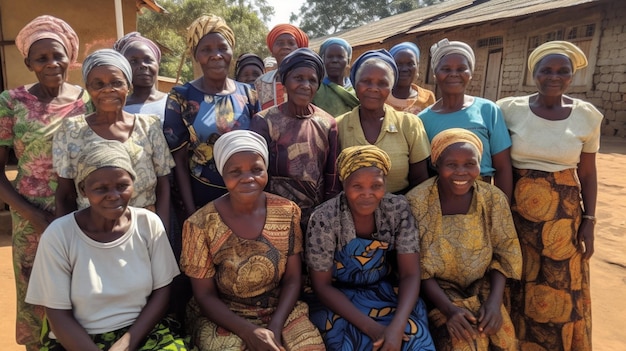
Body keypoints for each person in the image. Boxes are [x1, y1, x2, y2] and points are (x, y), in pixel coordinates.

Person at [26, 140, 188, 351]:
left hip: (139, 332)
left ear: (133, 183)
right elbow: (57, 314)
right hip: (76, 339)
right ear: (83, 190)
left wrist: (126, 344)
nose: (113, 195)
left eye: (122, 186)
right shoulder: (59, 235)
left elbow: (162, 293)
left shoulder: (148, 224)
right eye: (101, 189)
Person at [496, 41, 602, 351]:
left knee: (559, 285)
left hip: (563, 220)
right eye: (546, 70)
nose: (554, 77)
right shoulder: (508, 109)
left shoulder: (587, 116)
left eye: (562, 71)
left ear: (572, 77)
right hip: (516, 212)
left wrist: (589, 221)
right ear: (534, 73)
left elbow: (587, 173)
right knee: (517, 282)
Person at [181, 130, 325, 351]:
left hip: (280, 309)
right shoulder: (199, 224)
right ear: (222, 173)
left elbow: (294, 278)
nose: (247, 178)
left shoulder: (287, 211)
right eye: (235, 171)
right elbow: (205, 295)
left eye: (256, 169)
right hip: (225, 314)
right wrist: (250, 333)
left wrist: (275, 327)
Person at [0, 15, 90, 350]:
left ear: (70, 57)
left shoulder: (86, 99)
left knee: (80, 291)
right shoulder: (11, 102)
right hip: (30, 219)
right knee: (35, 295)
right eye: (42, 58)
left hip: (81, 216)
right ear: (28, 62)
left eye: (58, 55)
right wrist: (32, 215)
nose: (52, 63)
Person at [306, 145, 436, 351]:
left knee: (413, 337)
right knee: (345, 341)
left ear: (385, 183)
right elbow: (321, 286)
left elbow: (410, 274)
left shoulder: (397, 209)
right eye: (357, 186)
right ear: (344, 183)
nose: (367, 194)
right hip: (337, 297)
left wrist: (397, 325)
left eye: (375, 185)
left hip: (383, 290)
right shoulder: (324, 218)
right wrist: (374, 329)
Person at [405, 128, 522, 351]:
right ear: (436, 165)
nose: (461, 172)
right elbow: (416, 268)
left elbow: (506, 251)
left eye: (470, 164)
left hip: (484, 288)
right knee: (466, 343)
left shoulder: (492, 198)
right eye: (451, 164)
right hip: (437, 293)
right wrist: (449, 310)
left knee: (503, 339)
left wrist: (495, 303)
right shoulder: (417, 202)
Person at [53, 49, 174, 232]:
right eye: (98, 84)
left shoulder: (149, 126)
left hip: (144, 230)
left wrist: (161, 231)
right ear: (88, 88)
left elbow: (164, 184)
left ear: (128, 86)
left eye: (117, 83)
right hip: (93, 232)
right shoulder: (70, 130)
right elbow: (65, 194)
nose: (108, 89)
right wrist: (67, 238)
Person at [164, 14, 260, 218]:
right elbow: (179, 162)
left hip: (247, 195)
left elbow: (259, 149)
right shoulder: (181, 97)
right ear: (196, 55)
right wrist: (191, 212)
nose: (216, 55)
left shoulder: (249, 94)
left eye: (222, 48)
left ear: (231, 51)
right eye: (206, 50)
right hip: (203, 199)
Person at [250, 48, 341, 231]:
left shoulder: (327, 123)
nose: (306, 85)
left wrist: (327, 220)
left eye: (312, 80)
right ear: (284, 81)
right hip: (274, 218)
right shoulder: (264, 122)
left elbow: (332, 179)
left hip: (317, 219)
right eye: (298, 78)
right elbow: (256, 173)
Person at [418, 38, 513, 200]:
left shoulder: (488, 110)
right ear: (435, 74)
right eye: (446, 69)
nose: (454, 74)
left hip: (485, 197)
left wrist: (503, 209)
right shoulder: (423, 119)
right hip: (443, 199)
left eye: (461, 68)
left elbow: (503, 167)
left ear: (471, 73)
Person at [336, 49, 430, 194]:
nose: (373, 89)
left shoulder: (409, 124)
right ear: (355, 84)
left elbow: (420, 180)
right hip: (350, 212)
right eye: (366, 81)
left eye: (382, 83)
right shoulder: (338, 126)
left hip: (401, 212)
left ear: (391, 87)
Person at [113, 31, 168, 124]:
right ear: (124, 68)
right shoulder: (119, 108)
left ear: (158, 64)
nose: (142, 65)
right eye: (134, 61)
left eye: (148, 60)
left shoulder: (172, 103)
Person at [255, 24, 309, 110]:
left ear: (300, 49)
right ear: (272, 50)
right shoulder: (260, 83)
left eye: (291, 43)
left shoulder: (310, 81)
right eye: (280, 43)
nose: (285, 47)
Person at [312, 37, 359, 117]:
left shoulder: (357, 90)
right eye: (330, 56)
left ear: (348, 61)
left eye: (340, 57)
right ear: (323, 60)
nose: (334, 60)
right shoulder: (316, 90)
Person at [386, 42, 435, 114]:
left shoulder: (427, 97)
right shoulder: (382, 97)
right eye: (398, 64)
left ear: (418, 67)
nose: (404, 69)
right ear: (390, 67)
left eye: (410, 64)